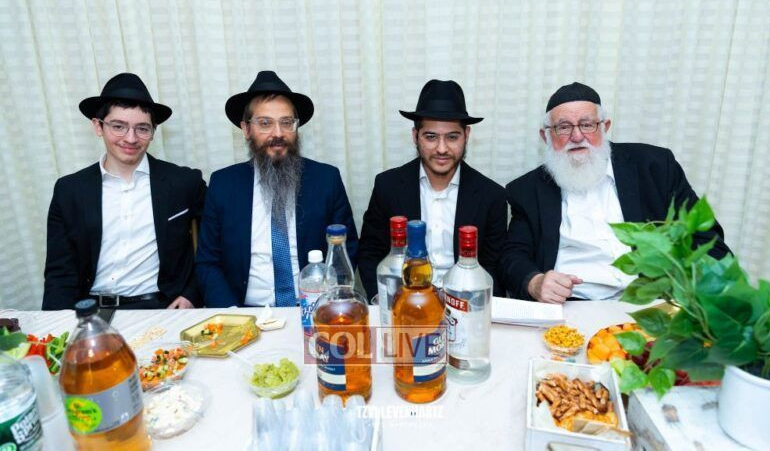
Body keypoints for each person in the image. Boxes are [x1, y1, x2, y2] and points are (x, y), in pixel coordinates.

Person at [502, 82, 730, 303]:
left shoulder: (656, 168)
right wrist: (535, 281)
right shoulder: (527, 190)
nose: (577, 136)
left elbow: (705, 237)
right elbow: (513, 256)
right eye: (563, 127)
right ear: (546, 136)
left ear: (605, 127)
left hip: (652, 304)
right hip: (572, 305)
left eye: (587, 124)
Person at [43, 73, 206, 310]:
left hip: (163, 308)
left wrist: (192, 293)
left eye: (142, 128)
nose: (130, 138)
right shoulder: (69, 190)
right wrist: (59, 324)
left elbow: (217, 243)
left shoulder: (184, 182)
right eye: (118, 126)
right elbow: (59, 272)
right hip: (91, 309)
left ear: (153, 132)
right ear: (98, 126)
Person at [196, 71, 359, 307]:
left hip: (313, 308)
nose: (278, 134)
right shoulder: (223, 184)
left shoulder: (326, 179)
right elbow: (208, 263)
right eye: (265, 123)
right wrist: (233, 315)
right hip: (244, 312)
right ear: (246, 129)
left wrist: (325, 304)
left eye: (286, 122)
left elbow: (346, 249)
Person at [358, 79, 507, 298]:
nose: (442, 149)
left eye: (452, 137)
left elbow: (493, 267)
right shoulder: (387, 186)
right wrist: (385, 300)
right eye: (431, 137)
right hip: (405, 301)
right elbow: (370, 254)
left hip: (464, 303)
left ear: (466, 135)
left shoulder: (491, 195)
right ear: (415, 136)